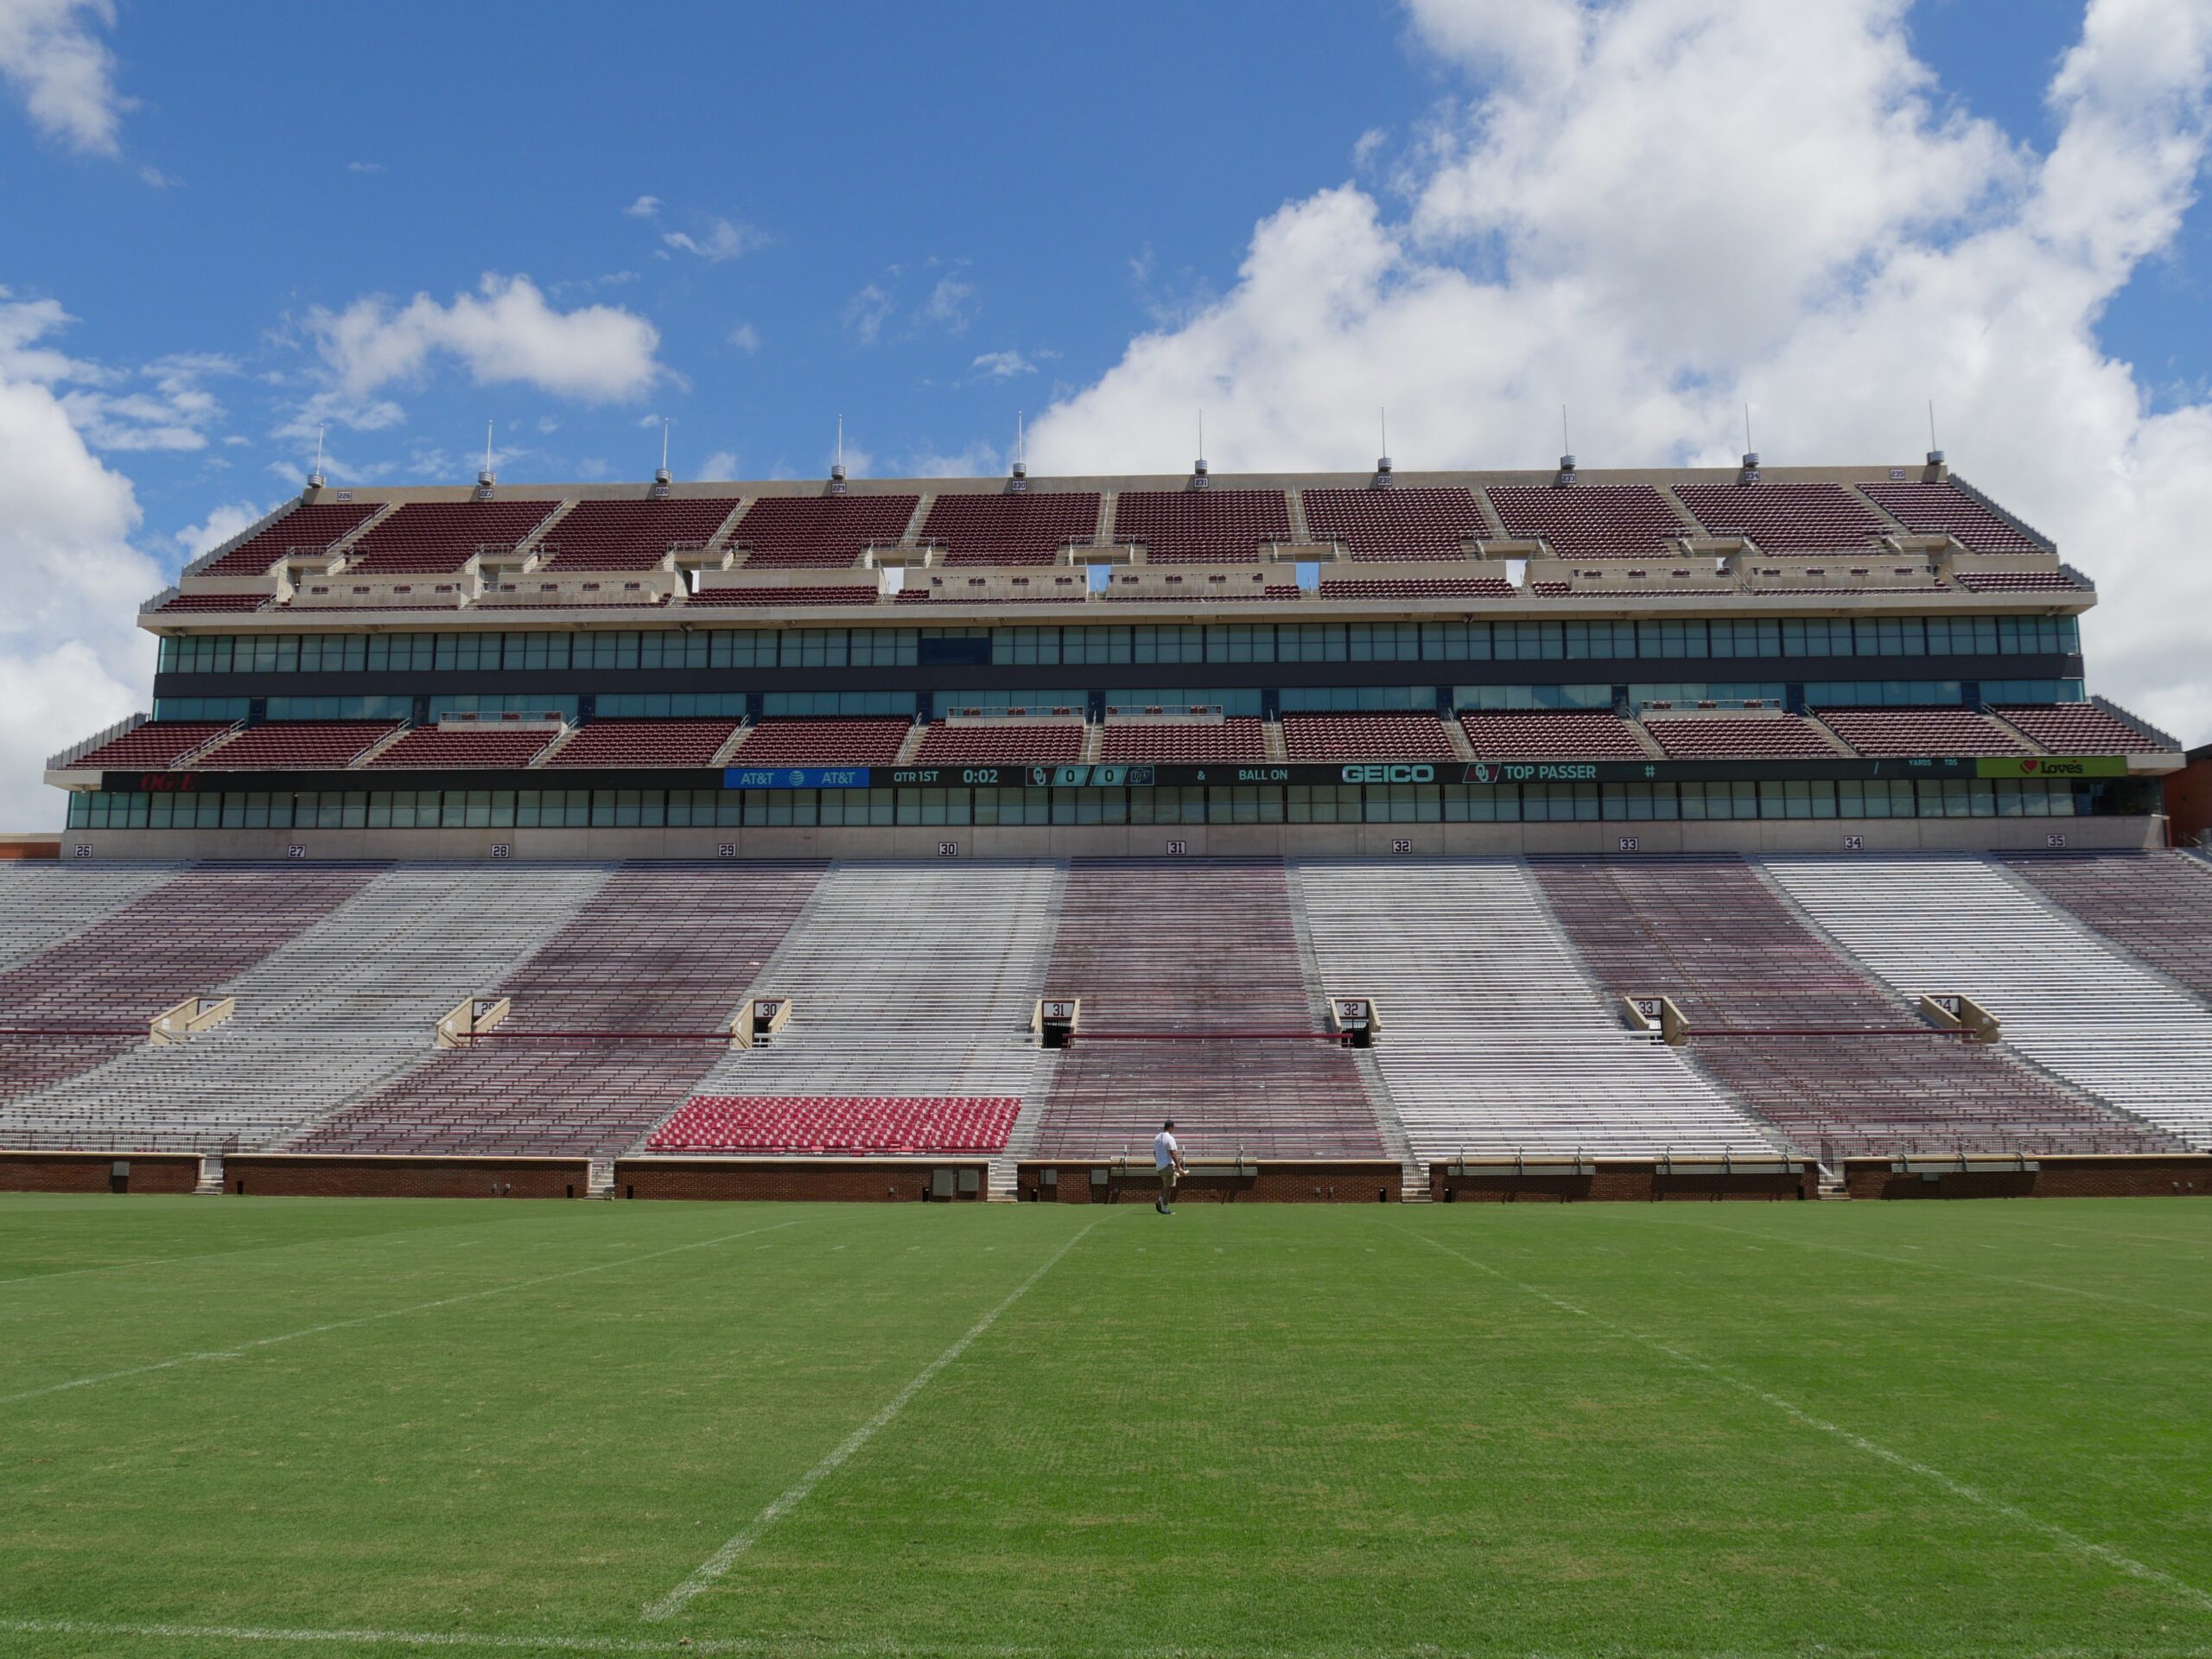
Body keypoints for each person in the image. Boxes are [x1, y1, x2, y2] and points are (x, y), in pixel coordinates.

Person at [1152, 1119, 1185, 1214]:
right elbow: (1173, 1153)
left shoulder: (1157, 1138)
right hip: (1168, 1166)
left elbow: (1154, 1152)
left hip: (1160, 1167)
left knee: (1167, 1186)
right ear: (1171, 1127)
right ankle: (1165, 1209)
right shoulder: (1170, 1138)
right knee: (1169, 1188)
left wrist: (1159, 1162)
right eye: (1173, 1128)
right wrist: (1179, 1168)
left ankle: (1160, 1200)